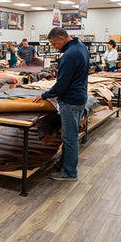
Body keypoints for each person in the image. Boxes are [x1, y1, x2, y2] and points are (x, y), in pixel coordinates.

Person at [33, 27, 89, 181]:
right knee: (70, 135)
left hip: (70, 100)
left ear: (62, 39)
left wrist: (45, 95)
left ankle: (70, 172)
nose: (54, 47)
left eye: (54, 44)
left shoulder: (69, 55)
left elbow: (62, 84)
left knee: (69, 137)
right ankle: (64, 163)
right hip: (80, 97)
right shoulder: (82, 48)